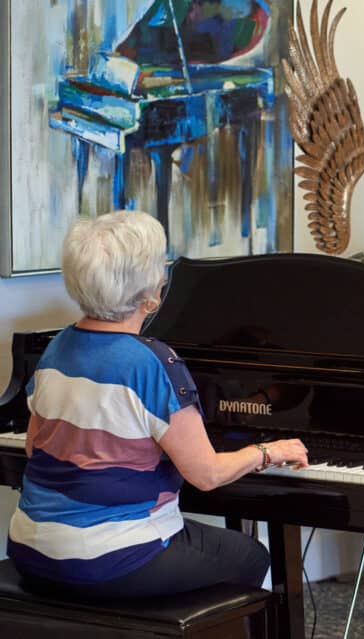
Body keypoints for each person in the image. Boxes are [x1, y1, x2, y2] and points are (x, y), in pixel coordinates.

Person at [6, 210, 310, 598]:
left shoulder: (57, 349)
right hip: (108, 560)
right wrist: (268, 451)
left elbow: (35, 447)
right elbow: (207, 476)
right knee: (250, 556)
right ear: (151, 295)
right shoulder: (153, 363)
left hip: (31, 548)